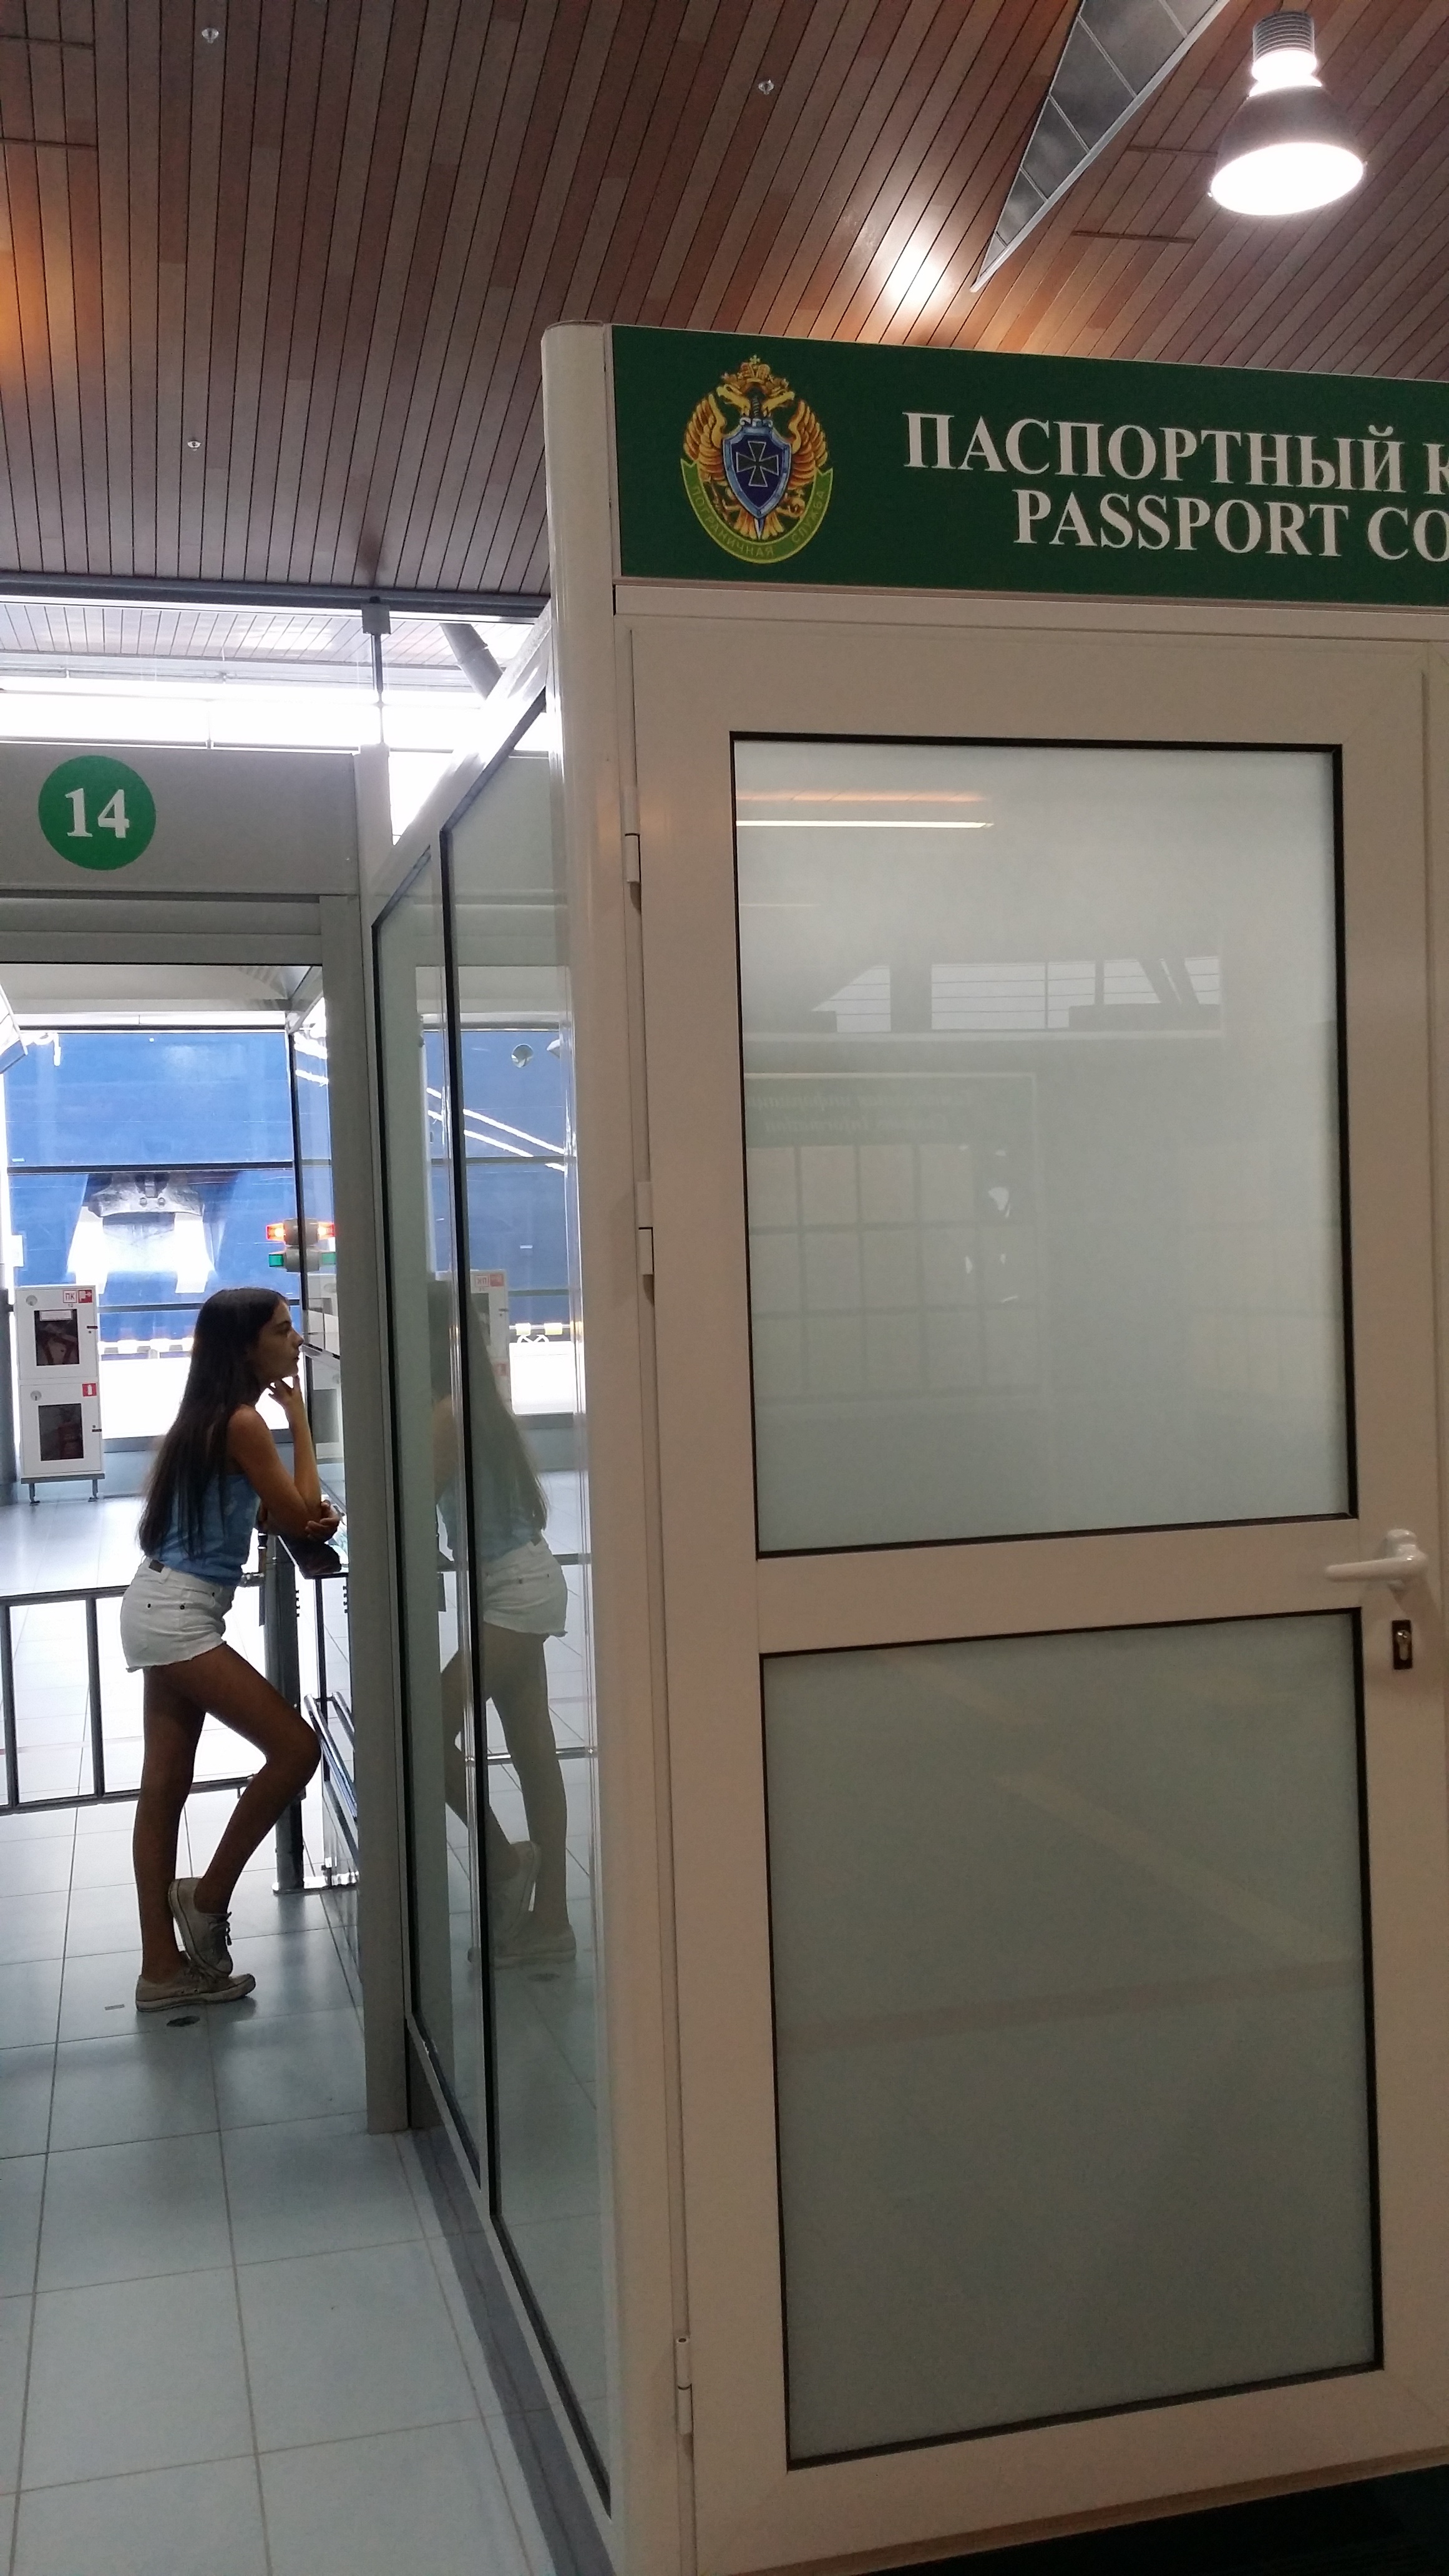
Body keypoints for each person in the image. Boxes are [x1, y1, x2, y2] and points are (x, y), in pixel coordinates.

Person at [121, 1287, 338, 2011]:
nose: (294, 1340)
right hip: (179, 1616)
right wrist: (300, 1424)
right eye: (281, 1330)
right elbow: (300, 1516)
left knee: (164, 1787)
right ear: (246, 1348)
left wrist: (300, 1504)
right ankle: (207, 1899)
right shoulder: (244, 1422)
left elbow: (288, 1512)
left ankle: (161, 1971)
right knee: (296, 1750)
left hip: (161, 1602)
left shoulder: (213, 1414)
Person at [432, 1288, 575, 1968]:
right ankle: (552, 1922)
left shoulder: (443, 1415)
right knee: (533, 1752)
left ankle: (505, 1867)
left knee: (430, 1733)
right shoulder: (472, 1405)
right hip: (520, 1581)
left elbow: (405, 1505)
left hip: (513, 1594)